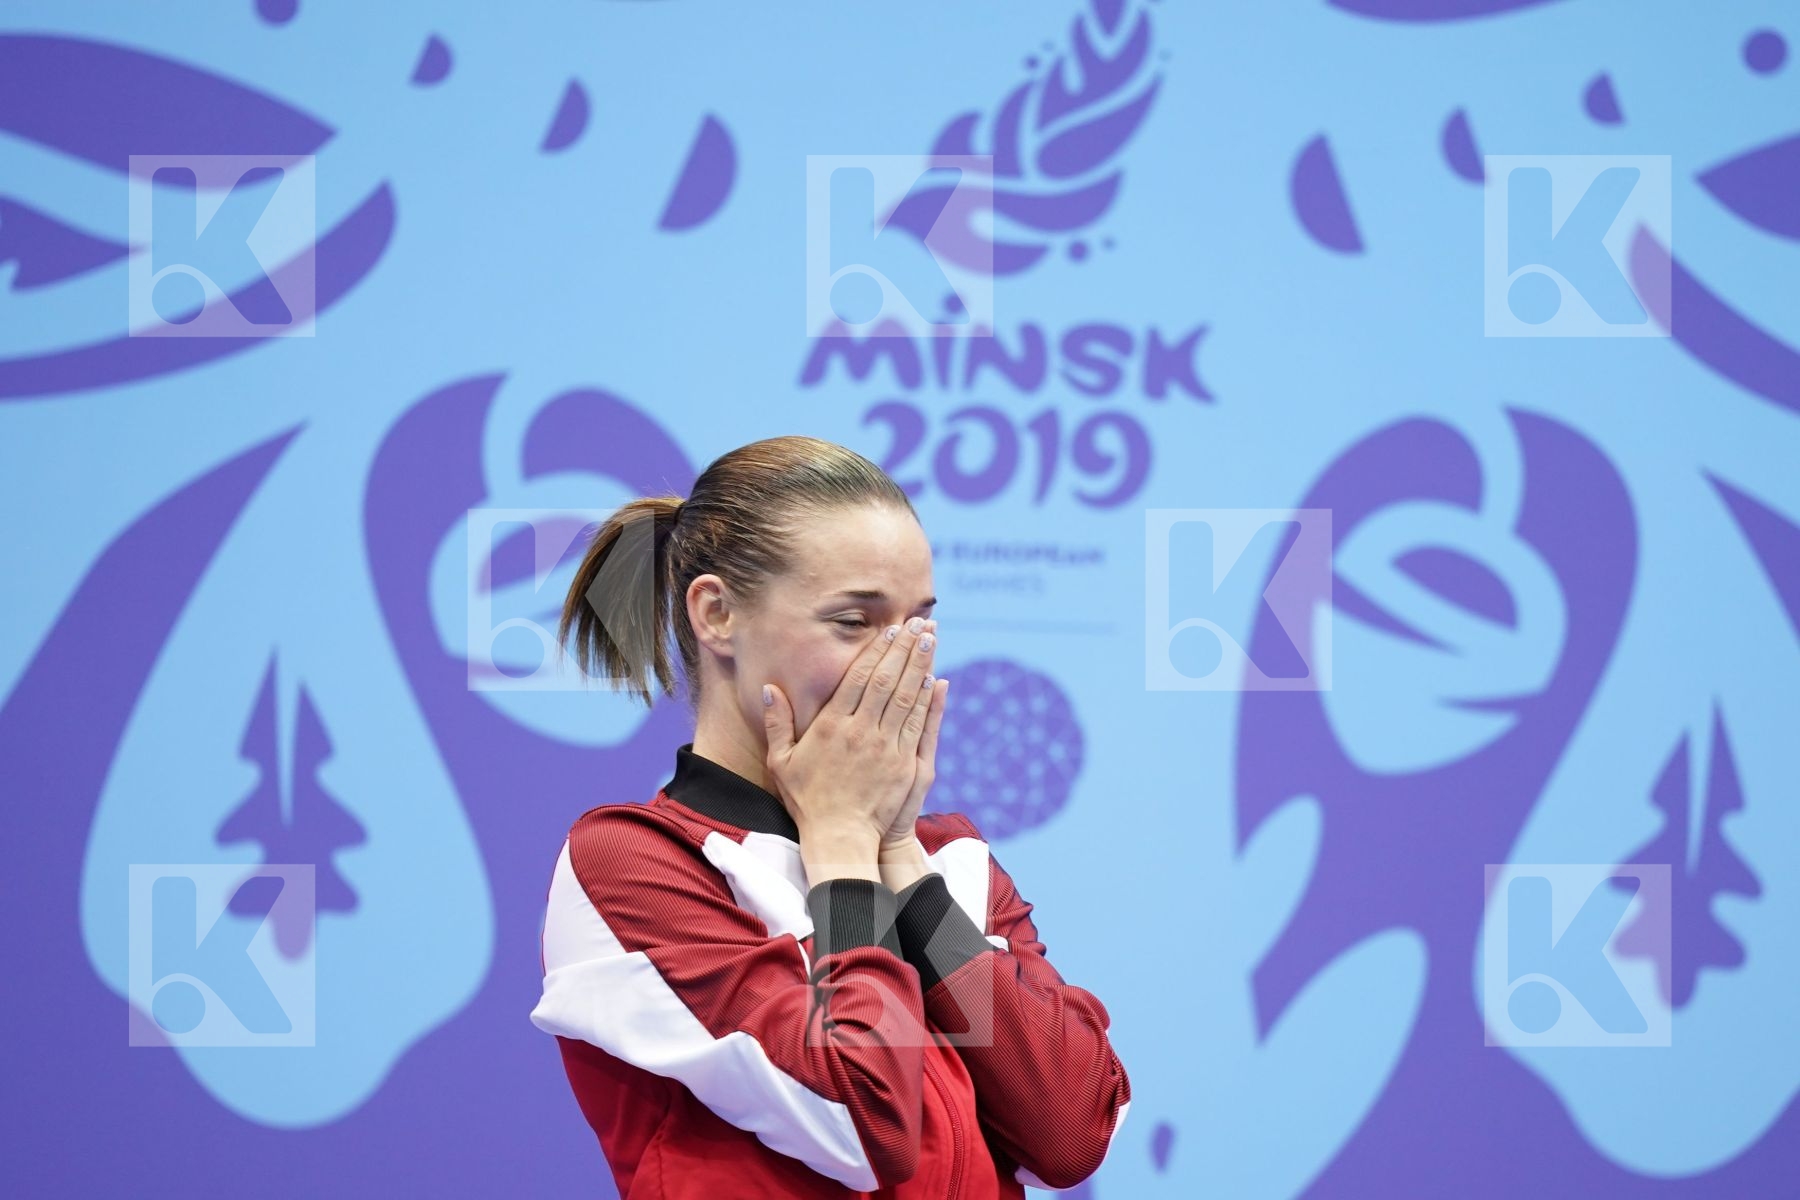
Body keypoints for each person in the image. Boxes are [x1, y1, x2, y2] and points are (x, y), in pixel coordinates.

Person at [529, 435, 1131, 1197]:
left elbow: (1071, 1132)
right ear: (717, 614)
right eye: (853, 622)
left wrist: (901, 857)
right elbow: (860, 1120)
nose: (901, 665)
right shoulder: (636, 862)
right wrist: (844, 842)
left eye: (918, 626)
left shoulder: (952, 860)